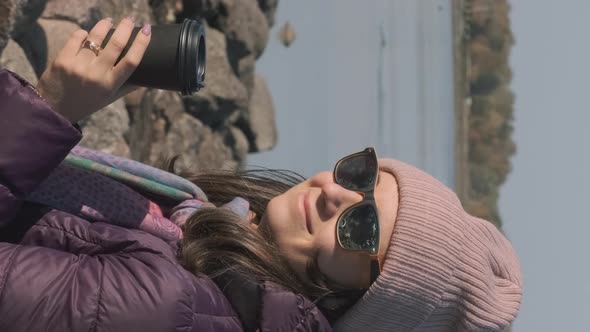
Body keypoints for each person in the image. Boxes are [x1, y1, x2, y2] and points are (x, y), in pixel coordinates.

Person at [0, 17, 522, 332]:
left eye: (361, 230)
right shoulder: (196, 224)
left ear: (354, 302)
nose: (334, 195)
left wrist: (51, 108)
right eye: (360, 176)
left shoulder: (175, 309)